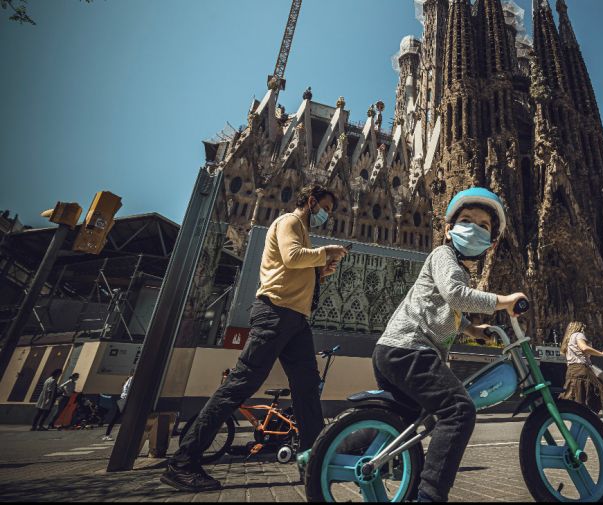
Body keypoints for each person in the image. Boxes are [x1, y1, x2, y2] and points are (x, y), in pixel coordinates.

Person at [161, 184, 348, 492]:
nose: (327, 215)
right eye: (325, 207)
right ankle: (183, 462)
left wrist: (320, 270)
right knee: (240, 385)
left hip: (295, 320)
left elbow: (295, 268)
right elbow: (291, 258)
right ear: (311, 201)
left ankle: (315, 458)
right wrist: (324, 253)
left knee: (307, 389)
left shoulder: (303, 232)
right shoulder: (289, 222)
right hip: (275, 314)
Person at [372, 187, 527, 503]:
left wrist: (474, 330)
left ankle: (328, 452)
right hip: (410, 349)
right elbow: (455, 296)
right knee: (459, 410)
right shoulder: (443, 255)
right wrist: (503, 301)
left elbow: (444, 315)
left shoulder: (458, 270)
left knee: (402, 424)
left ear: (490, 242)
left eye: (483, 225)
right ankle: (429, 496)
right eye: (467, 220)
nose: (474, 228)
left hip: (397, 350)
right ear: (448, 229)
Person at [558, 321, 603, 438]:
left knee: (582, 402)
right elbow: (584, 348)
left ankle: (579, 433)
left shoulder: (568, 341)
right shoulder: (578, 335)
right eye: (583, 328)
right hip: (584, 371)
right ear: (579, 328)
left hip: (572, 372)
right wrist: (601, 353)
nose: (584, 331)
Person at [102, 375, 133, 441]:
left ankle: (107, 435)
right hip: (125, 401)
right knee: (124, 418)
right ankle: (107, 435)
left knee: (116, 418)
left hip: (122, 400)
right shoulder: (131, 379)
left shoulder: (127, 381)